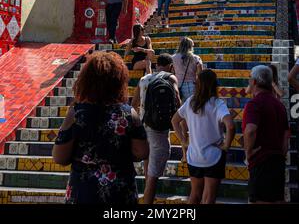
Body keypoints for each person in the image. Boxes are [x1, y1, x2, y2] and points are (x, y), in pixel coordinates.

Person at [52, 51, 149, 205]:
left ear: (86, 81)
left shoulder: (77, 113)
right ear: (119, 81)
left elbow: (59, 157)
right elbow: (142, 152)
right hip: (120, 193)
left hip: (83, 193)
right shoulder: (129, 113)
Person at [172, 70, 235, 204]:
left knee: (194, 195)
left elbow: (174, 121)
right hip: (214, 156)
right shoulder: (217, 104)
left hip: (194, 156)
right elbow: (230, 126)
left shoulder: (190, 102)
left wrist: (183, 141)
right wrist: (226, 146)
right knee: (209, 198)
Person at [131, 53, 180, 204]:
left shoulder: (144, 79)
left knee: (148, 170)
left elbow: (133, 104)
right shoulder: (170, 78)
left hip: (143, 127)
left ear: (157, 64)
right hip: (158, 130)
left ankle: (146, 196)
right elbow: (178, 102)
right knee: (153, 176)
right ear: (171, 66)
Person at [242, 65, 290, 204]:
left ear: (255, 82)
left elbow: (250, 130)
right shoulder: (279, 105)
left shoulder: (255, 104)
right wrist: (281, 154)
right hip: (278, 161)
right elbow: (286, 136)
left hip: (261, 162)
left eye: (250, 78)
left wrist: (248, 152)